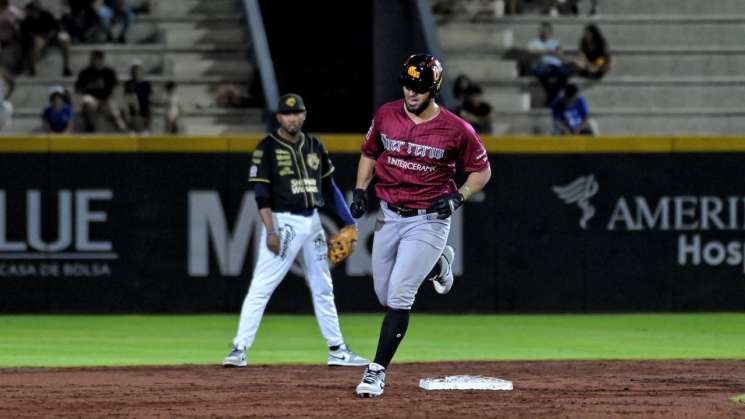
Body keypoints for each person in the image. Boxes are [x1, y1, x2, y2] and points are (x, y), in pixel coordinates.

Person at [350, 54, 491, 398]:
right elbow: (370, 152)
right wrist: (359, 189)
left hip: (428, 218)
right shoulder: (386, 114)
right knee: (384, 294)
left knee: (399, 294)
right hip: (388, 214)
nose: (411, 92)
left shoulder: (457, 129)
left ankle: (376, 371)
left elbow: (482, 170)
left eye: (420, 87)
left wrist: (460, 195)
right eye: (408, 84)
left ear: (434, 88)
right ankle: (439, 262)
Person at [222, 93, 369, 369]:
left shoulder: (314, 145)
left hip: (312, 221)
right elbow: (261, 195)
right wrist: (270, 231)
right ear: (278, 117)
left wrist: (350, 222)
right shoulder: (266, 147)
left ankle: (337, 349)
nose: (292, 117)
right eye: (286, 114)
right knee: (263, 285)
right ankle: (239, 348)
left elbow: (330, 188)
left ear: (303, 115)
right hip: (283, 221)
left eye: (296, 112)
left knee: (323, 286)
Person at [74, 49, 126, 132]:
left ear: (101, 60)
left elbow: (116, 89)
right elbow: (78, 89)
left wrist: (108, 100)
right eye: (91, 59)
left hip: (106, 100)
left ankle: (123, 131)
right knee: (87, 101)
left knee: (113, 110)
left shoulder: (109, 72)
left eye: (93, 59)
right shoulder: (85, 72)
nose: (91, 61)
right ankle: (90, 128)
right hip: (92, 100)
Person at [20, 0, 73, 77]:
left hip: (52, 38)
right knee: (38, 42)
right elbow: (26, 35)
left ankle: (66, 67)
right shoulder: (27, 21)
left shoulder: (47, 15)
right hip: (41, 39)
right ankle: (33, 68)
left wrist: (52, 34)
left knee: (65, 39)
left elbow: (56, 28)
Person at [528, 21, 570, 106]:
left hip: (555, 65)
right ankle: (553, 97)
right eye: (542, 30)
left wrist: (554, 53)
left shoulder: (556, 42)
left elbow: (561, 55)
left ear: (550, 32)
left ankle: (552, 97)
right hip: (542, 65)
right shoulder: (534, 42)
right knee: (542, 72)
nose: (544, 32)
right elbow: (532, 53)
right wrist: (549, 51)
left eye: (546, 30)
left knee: (565, 73)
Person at [123, 59, 151, 133]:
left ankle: (145, 128)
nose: (136, 72)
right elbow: (127, 98)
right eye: (134, 69)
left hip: (144, 108)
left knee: (150, 108)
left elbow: (149, 98)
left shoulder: (146, 84)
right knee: (129, 106)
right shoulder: (129, 84)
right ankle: (131, 128)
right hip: (133, 109)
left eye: (138, 69)